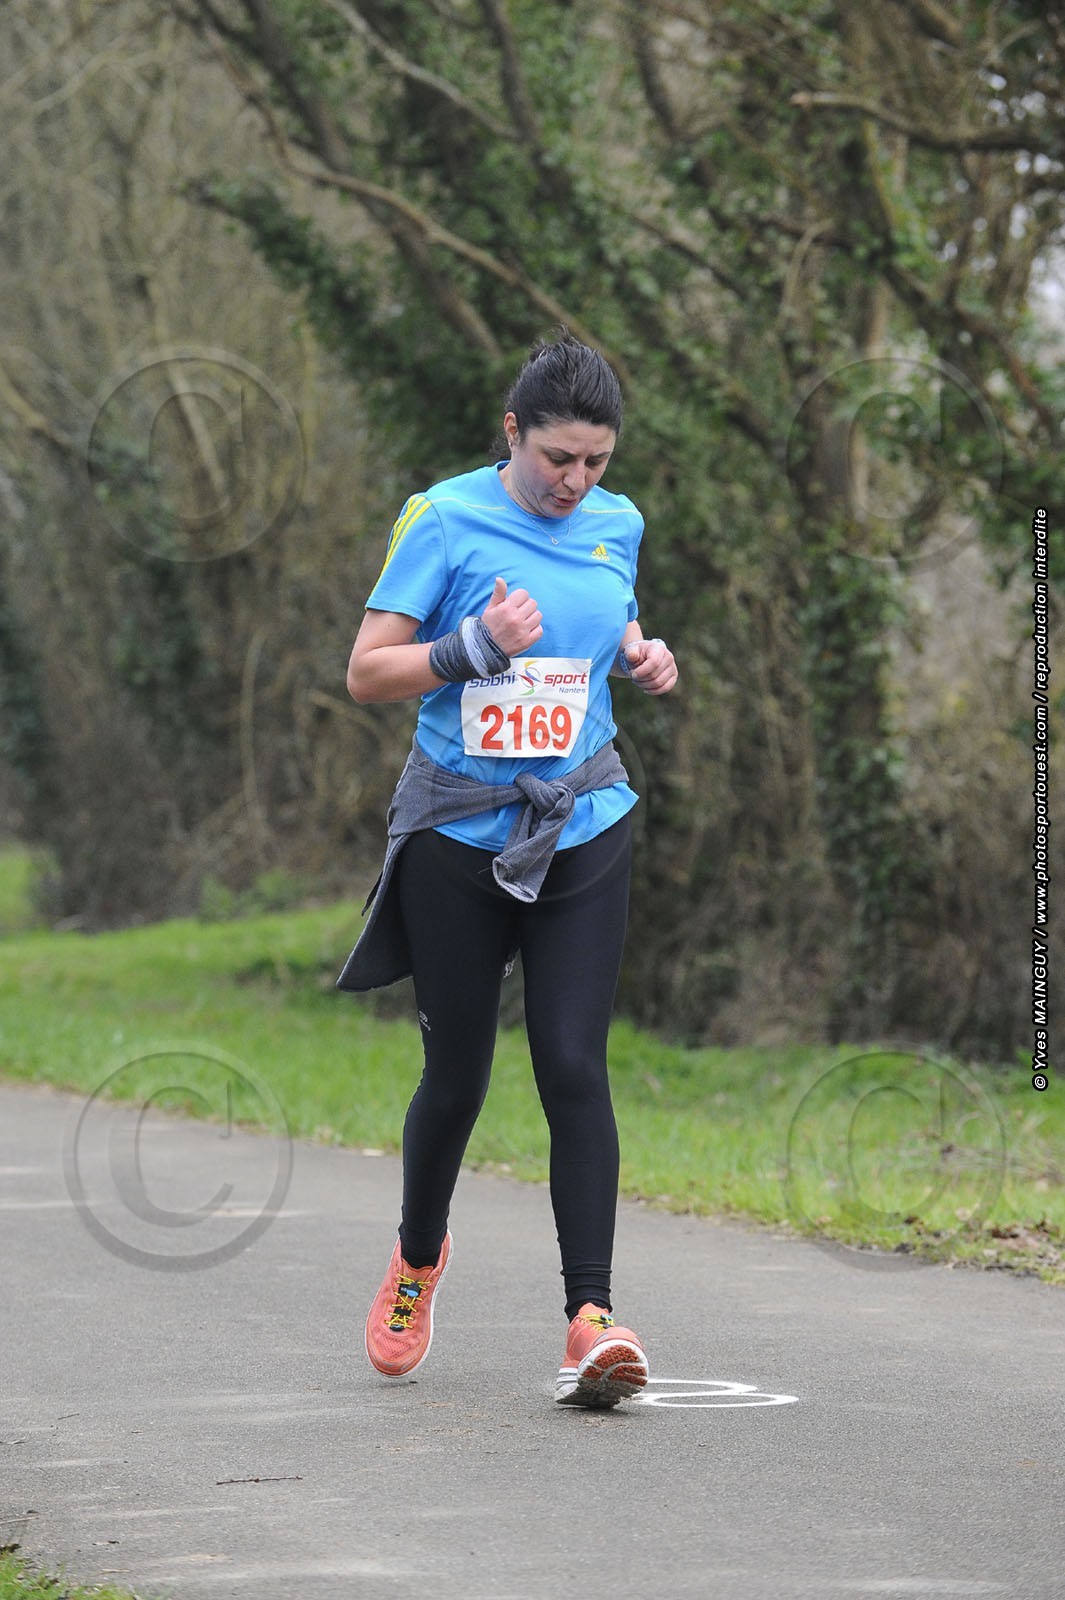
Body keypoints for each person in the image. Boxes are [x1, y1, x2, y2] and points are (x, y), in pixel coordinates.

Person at [339, 332, 678, 1408]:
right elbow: (367, 672)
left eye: (596, 461)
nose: (576, 481)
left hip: (582, 818)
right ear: (512, 433)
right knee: (458, 1076)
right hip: (459, 833)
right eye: (557, 458)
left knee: (573, 1064)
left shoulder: (617, 524)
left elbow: (605, 629)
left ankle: (592, 1318)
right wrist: (469, 648)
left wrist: (640, 655)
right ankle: (416, 1261)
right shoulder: (441, 519)